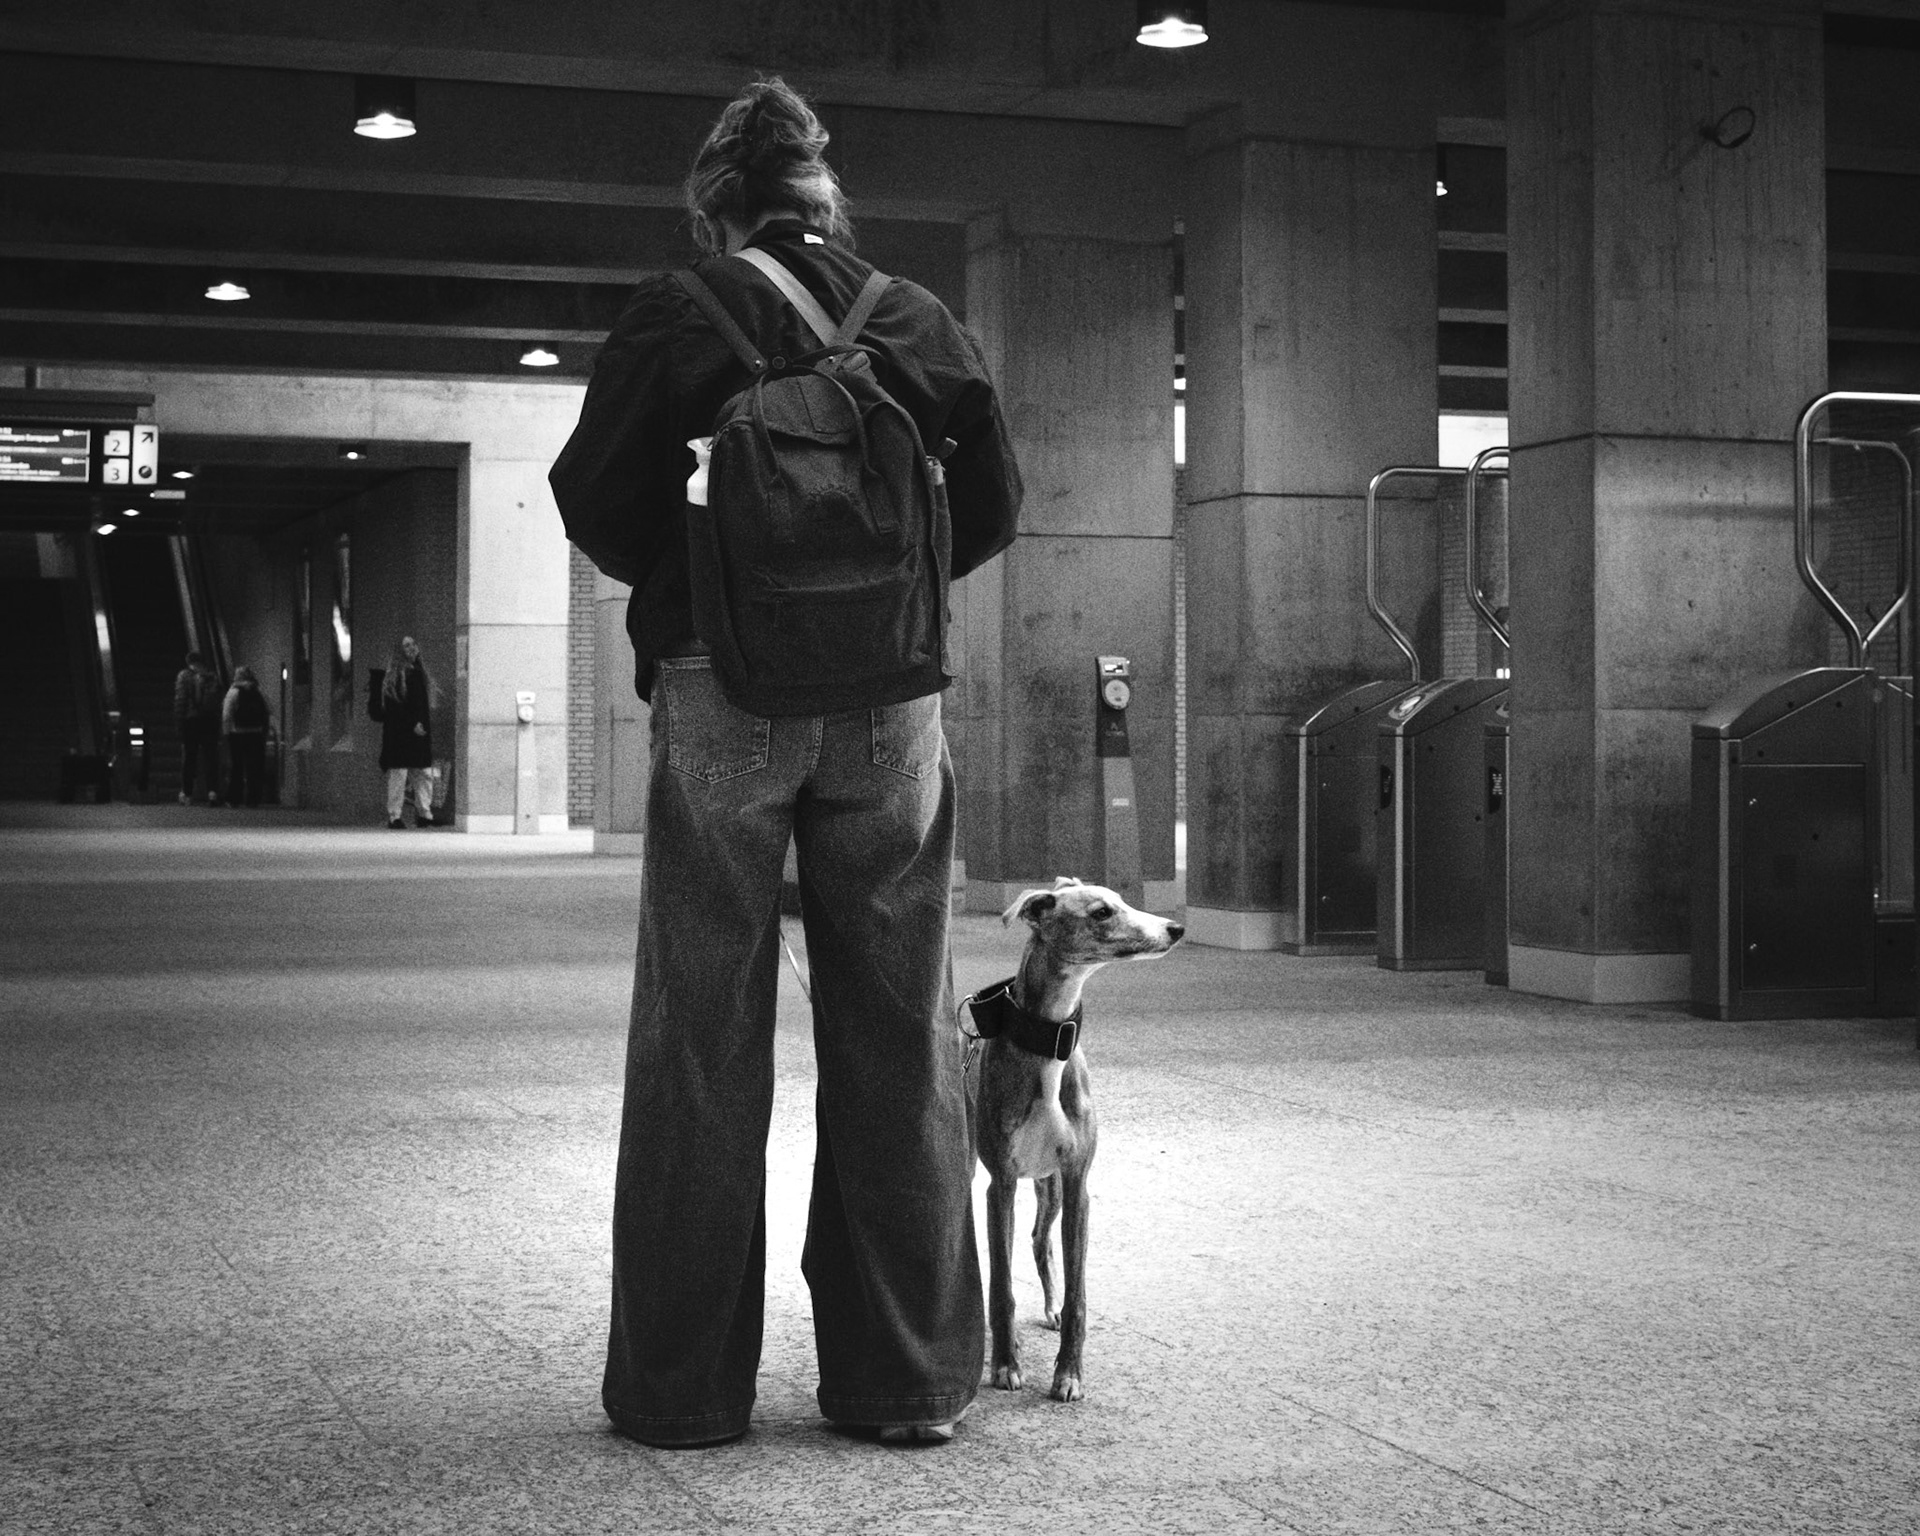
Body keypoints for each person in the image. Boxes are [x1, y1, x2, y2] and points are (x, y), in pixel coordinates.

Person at [549, 77, 1021, 1449]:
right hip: (889, 704)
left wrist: (713, 591)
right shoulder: (911, 314)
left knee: (698, 1032)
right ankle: (907, 1382)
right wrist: (870, 599)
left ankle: (682, 1392)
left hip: (719, 695)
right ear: (828, 199)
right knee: (901, 1029)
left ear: (717, 206)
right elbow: (989, 502)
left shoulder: (677, 312)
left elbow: (595, 496)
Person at [368, 637, 435, 829]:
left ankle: (424, 813)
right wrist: (413, 724)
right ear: (399, 651)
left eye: (413, 644)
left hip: (416, 732)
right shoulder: (396, 677)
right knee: (400, 775)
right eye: (407, 646)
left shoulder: (417, 673)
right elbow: (395, 706)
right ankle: (395, 816)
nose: (412, 648)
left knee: (421, 773)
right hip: (401, 734)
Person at [172, 650, 223, 805]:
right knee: (210, 757)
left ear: (189, 661)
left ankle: (187, 793)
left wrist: (179, 722)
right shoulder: (212, 676)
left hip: (191, 721)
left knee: (189, 757)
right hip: (209, 721)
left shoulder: (184, 676)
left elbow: (181, 700)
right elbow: (218, 701)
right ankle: (212, 792)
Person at [221, 665, 271, 808]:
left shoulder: (233, 691)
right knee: (254, 766)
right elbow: (268, 709)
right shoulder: (258, 690)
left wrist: (226, 732)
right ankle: (253, 799)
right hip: (256, 733)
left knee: (237, 766)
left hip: (237, 733)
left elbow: (227, 714)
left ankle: (234, 798)